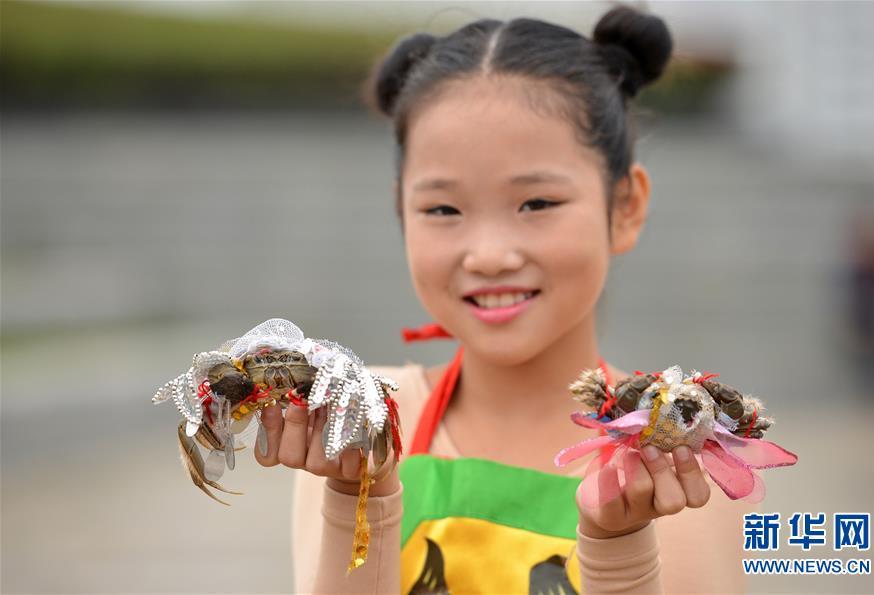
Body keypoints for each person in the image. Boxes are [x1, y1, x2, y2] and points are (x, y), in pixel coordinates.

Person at [257, 5, 755, 593]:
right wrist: (356, 496)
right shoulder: (354, 422)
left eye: (536, 203)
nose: (489, 254)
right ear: (400, 211)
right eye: (443, 209)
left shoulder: (680, 456)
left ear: (625, 206)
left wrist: (620, 550)